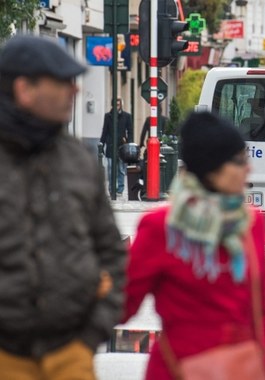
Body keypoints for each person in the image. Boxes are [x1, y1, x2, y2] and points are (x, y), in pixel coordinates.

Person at [0, 35, 126, 379]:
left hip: (70, 354)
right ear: (25, 89)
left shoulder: (79, 161)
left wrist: (90, 335)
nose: (74, 91)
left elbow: (112, 254)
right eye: (62, 82)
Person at [123, 111, 265, 380]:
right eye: (240, 161)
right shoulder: (161, 228)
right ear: (212, 170)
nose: (248, 169)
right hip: (176, 370)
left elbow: (262, 309)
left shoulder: (251, 224)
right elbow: (123, 303)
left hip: (240, 370)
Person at [100, 97, 133, 196]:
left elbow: (130, 132)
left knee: (121, 169)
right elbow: (104, 131)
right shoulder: (108, 116)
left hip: (122, 146)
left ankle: (120, 189)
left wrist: (129, 143)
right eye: (115, 104)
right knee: (110, 169)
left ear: (121, 105)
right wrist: (102, 144)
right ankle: (111, 188)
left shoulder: (127, 116)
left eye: (118, 105)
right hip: (110, 146)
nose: (117, 106)